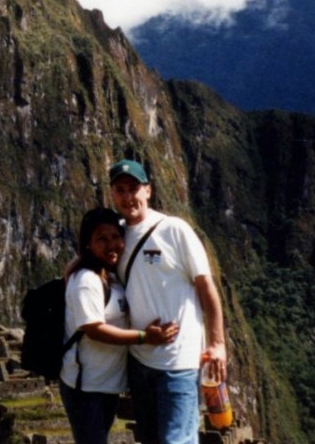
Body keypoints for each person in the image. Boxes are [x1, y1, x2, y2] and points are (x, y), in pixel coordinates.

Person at [108, 159, 227, 444]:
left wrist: (217, 343)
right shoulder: (116, 236)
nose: (128, 197)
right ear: (112, 194)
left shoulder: (174, 230)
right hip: (140, 362)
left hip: (179, 362)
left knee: (177, 440)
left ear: (148, 190)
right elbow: (87, 260)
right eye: (120, 190)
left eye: (134, 188)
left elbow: (206, 286)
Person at [61, 207, 151, 444]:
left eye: (115, 237)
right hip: (85, 386)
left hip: (108, 384)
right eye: (101, 239)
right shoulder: (86, 280)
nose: (111, 244)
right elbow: (94, 329)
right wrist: (144, 337)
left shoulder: (111, 276)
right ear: (88, 244)